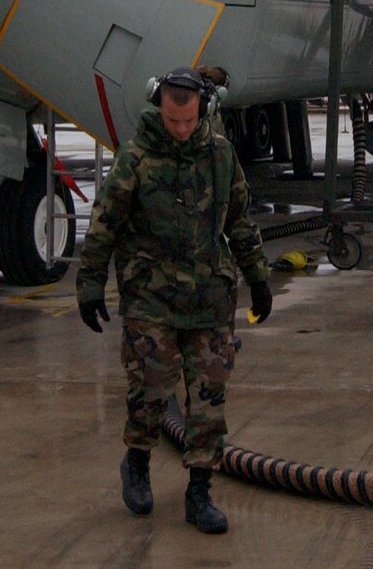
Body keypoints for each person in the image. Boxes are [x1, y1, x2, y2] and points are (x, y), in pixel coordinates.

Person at [76, 66, 272, 536]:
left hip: (209, 296)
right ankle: (138, 463)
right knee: (149, 388)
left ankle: (200, 491)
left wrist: (258, 277)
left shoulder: (221, 155)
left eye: (187, 122)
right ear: (158, 108)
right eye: (171, 121)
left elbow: (240, 219)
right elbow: (106, 221)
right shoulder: (137, 156)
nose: (179, 130)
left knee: (208, 398)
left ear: (202, 112)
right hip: (152, 295)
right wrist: (89, 282)